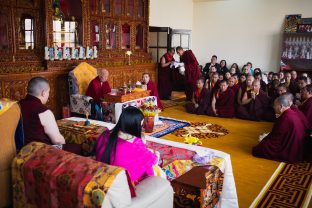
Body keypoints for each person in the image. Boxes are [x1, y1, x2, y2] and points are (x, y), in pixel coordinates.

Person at [96, 106, 162, 183]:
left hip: (103, 172)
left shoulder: (105, 134)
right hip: (121, 181)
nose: (142, 127)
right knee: (154, 166)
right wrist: (155, 153)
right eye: (140, 125)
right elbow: (152, 159)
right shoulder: (134, 144)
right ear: (134, 125)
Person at [19, 77, 81, 154]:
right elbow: (58, 141)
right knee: (79, 148)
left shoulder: (16, 106)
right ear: (43, 93)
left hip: (20, 150)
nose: (48, 96)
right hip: (40, 152)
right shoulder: (43, 111)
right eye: (48, 92)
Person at [252, 95, 307, 163]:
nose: (273, 107)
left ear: (281, 106)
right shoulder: (290, 113)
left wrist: (265, 141)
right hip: (297, 146)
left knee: (261, 148)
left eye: (275, 105)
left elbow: (276, 138)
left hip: (290, 150)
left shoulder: (286, 117)